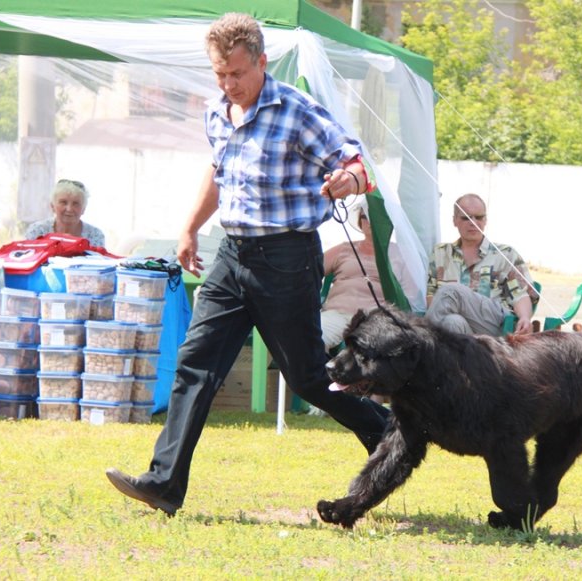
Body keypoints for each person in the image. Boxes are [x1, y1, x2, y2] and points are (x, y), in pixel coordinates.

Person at [105, 13, 390, 516]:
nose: (228, 84)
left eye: (237, 73)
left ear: (261, 62)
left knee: (305, 379)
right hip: (231, 255)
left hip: (286, 259)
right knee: (195, 364)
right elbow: (219, 173)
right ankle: (163, 484)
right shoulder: (217, 112)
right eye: (219, 74)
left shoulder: (297, 110)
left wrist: (347, 180)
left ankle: (386, 434)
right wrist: (190, 228)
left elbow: (356, 162)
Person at [425, 193, 536, 337]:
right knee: (452, 322)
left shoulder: (505, 254)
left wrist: (525, 317)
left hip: (493, 324)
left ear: (486, 220)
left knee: (450, 290)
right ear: (455, 221)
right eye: (466, 217)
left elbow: (520, 294)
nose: (473, 222)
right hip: (463, 329)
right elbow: (431, 296)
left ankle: (423, 341)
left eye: (479, 217)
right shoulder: (440, 253)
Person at [320, 199, 414, 351]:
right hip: (336, 314)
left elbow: (411, 299)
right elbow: (310, 270)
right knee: (311, 337)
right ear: (359, 221)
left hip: (376, 319)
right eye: (365, 216)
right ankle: (317, 375)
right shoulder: (344, 249)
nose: (370, 221)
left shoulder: (402, 255)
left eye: (376, 217)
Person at [25, 179, 105, 247]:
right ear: (52, 206)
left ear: (83, 209)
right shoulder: (37, 231)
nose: (69, 209)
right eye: (63, 202)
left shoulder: (95, 235)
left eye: (76, 203)